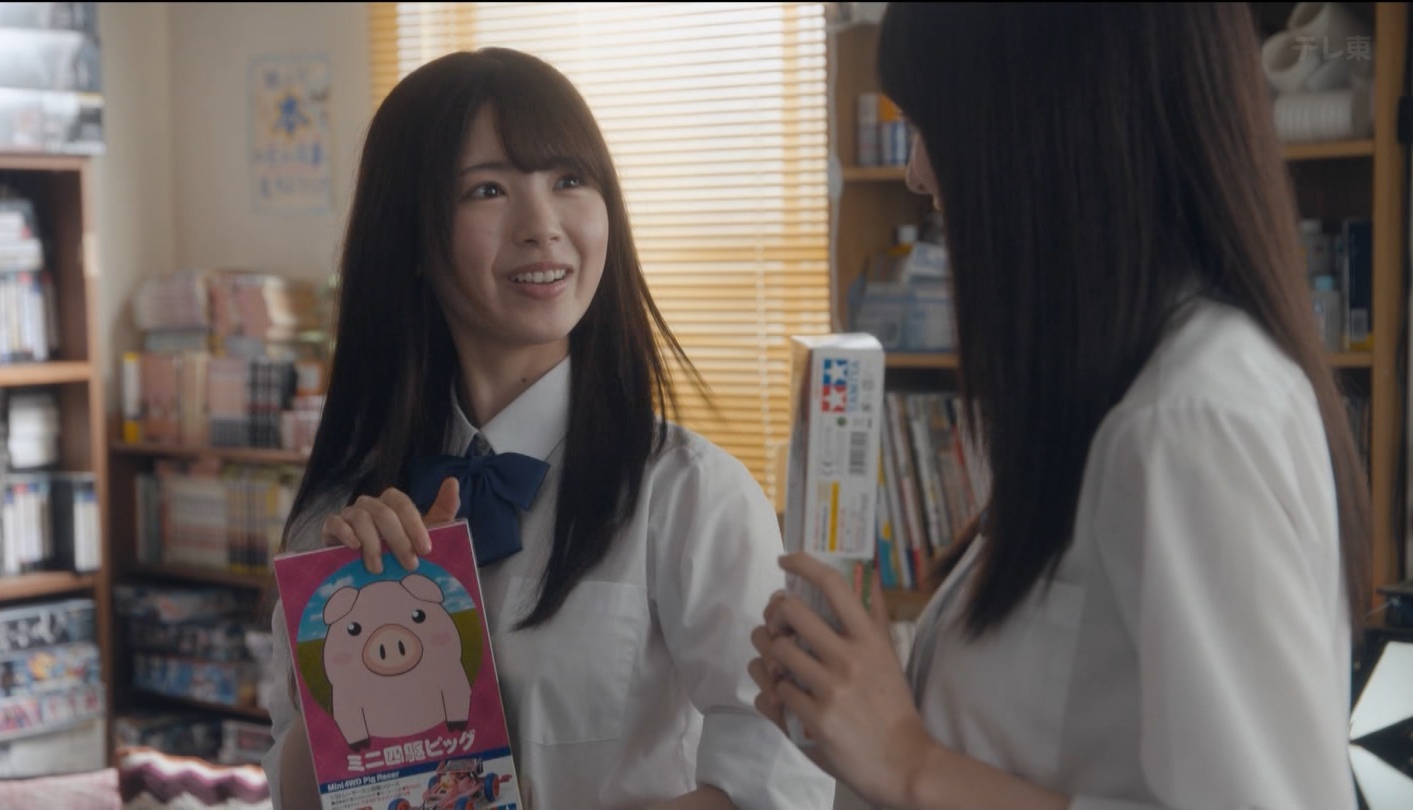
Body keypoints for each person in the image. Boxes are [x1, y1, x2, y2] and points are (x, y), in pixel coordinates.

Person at [750, 4, 1369, 809]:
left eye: (934, 124)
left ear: (1048, 128)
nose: (918, 173)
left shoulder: (1192, 417)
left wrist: (907, 762)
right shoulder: (1103, 392)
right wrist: (861, 701)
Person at [262, 47, 835, 810]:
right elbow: (292, 796)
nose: (543, 227)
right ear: (412, 238)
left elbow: (780, 782)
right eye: (488, 189)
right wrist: (341, 614)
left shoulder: (691, 495)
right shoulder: (339, 517)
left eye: (569, 180)